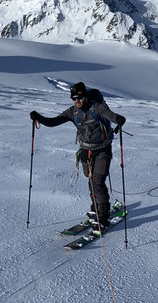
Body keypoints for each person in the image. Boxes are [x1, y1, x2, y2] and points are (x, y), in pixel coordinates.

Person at [30, 82, 126, 234]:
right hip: (85, 151)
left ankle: (103, 215)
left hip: (103, 149)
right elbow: (54, 121)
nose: (76, 101)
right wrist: (39, 118)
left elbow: (109, 115)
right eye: (73, 98)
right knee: (91, 179)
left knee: (98, 180)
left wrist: (118, 119)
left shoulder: (97, 107)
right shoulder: (72, 112)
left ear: (85, 96)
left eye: (79, 97)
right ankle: (95, 207)